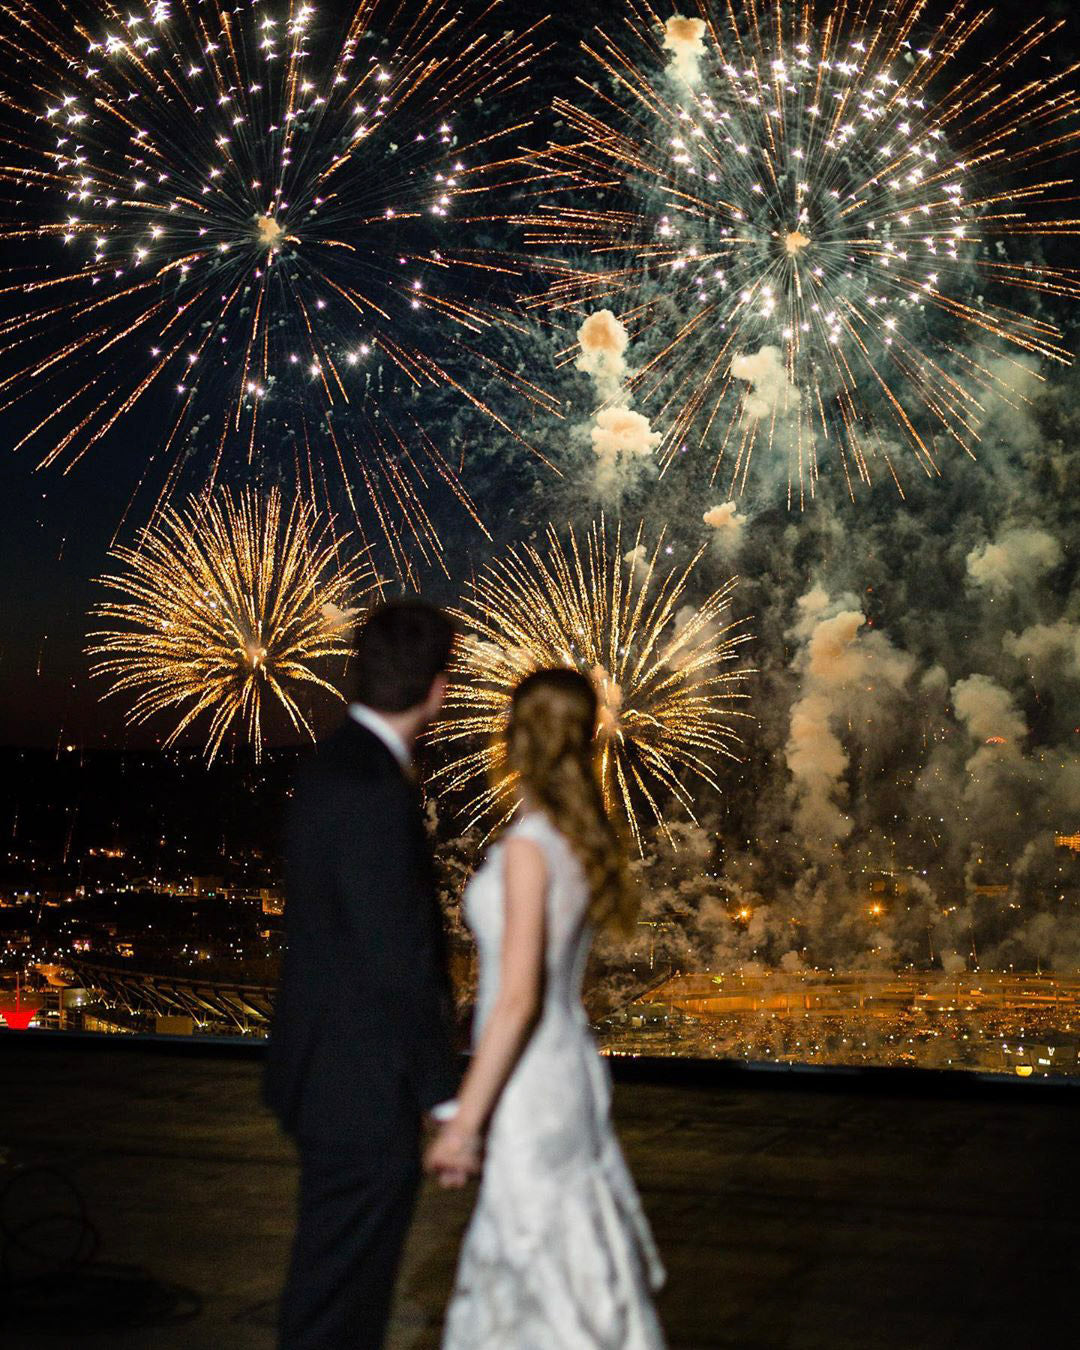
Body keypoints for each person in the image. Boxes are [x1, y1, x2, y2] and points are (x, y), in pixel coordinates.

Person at [425, 667, 666, 1348]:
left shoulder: (531, 851)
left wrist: (463, 1121)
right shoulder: (580, 842)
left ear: (518, 739)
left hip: (531, 1078)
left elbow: (516, 1000)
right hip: (571, 1069)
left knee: (528, 1250)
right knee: (563, 1252)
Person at [264, 600, 460, 1350]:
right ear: (439, 689)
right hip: (360, 1084)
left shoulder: (332, 763)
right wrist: (442, 1098)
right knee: (342, 1299)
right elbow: (396, 958)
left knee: (333, 1287)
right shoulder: (374, 788)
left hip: (325, 1070)